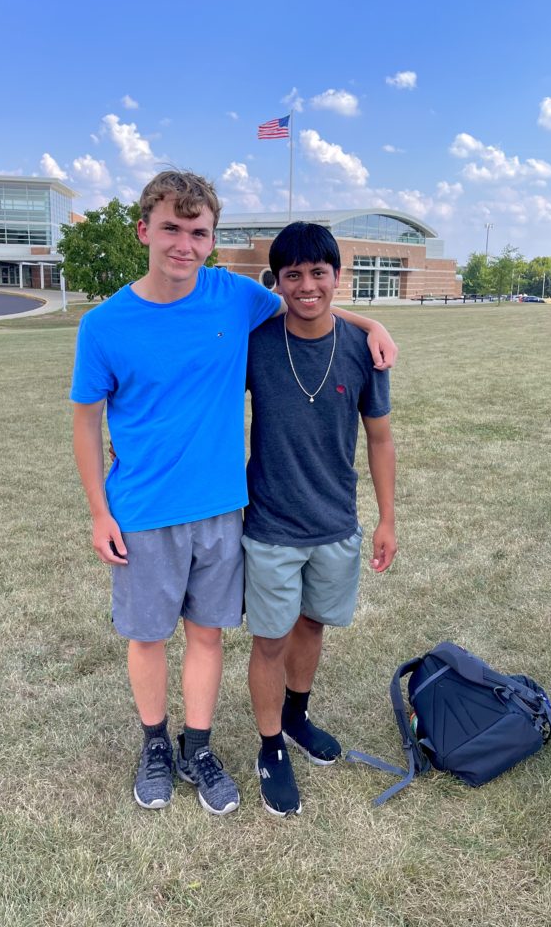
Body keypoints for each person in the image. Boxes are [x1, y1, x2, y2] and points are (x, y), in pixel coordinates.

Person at [70, 171, 397, 815]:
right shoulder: (104, 325)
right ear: (144, 231)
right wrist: (99, 511)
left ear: (213, 240)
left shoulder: (229, 295)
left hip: (224, 509)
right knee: (147, 637)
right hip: (141, 511)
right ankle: (155, 744)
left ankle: (199, 746)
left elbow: (309, 302)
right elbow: (86, 421)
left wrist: (372, 321)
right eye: (171, 228)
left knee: (209, 636)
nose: (184, 245)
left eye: (198, 233)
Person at [243, 222, 397, 817]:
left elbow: (380, 440)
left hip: (336, 522)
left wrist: (386, 519)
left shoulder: (365, 351)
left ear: (338, 277)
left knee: (312, 627)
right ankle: (270, 747)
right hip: (272, 526)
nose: (307, 286)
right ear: (277, 281)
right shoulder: (256, 342)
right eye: (293, 275)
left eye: (318, 273)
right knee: (270, 638)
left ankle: (296, 718)